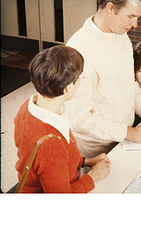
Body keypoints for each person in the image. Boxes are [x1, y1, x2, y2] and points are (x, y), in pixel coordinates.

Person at [64, 0, 141, 160]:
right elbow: (80, 119)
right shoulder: (77, 49)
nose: (135, 24)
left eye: (137, 18)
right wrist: (130, 133)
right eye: (131, 16)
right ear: (110, 8)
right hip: (94, 146)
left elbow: (130, 84)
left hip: (124, 137)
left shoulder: (121, 36)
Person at [14, 46, 111, 193]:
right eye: (79, 79)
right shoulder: (50, 145)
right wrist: (93, 176)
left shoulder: (28, 106)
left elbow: (50, 161)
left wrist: (86, 161)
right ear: (68, 88)